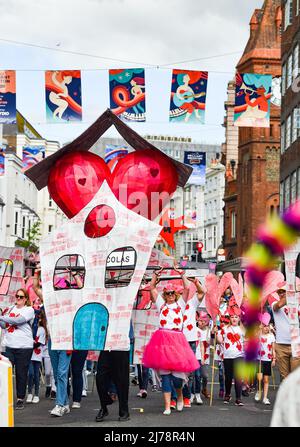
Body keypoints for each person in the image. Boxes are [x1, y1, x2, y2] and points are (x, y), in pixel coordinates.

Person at [142, 268, 199, 415]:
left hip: (177, 341)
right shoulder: (161, 304)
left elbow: (187, 287)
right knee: (165, 375)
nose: (170, 295)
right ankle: (167, 406)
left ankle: (180, 396)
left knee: (177, 378)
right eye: (168, 293)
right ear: (165, 295)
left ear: (176, 294)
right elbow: (152, 288)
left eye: (172, 293)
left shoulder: (180, 305)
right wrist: (155, 275)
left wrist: (182, 274)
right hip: (163, 341)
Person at [0, 288, 34, 410]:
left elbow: (18, 321)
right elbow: (4, 325)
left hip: (24, 347)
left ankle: (20, 398)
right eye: (17, 296)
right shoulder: (10, 309)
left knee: (21, 373)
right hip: (9, 345)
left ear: (25, 299)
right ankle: (5, 397)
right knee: (4, 373)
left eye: (21, 297)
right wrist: (2, 318)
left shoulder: (29, 310)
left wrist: (2, 317)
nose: (18, 299)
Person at [271, 286, 300, 381]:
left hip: (296, 344)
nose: (281, 294)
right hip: (281, 345)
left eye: (284, 291)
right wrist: (291, 293)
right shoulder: (275, 304)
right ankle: (286, 396)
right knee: (284, 377)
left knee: (295, 376)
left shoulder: (298, 305)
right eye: (279, 292)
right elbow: (278, 306)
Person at [217, 314, 245, 406]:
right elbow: (220, 341)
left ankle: (238, 398)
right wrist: (216, 332)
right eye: (232, 317)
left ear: (239, 318)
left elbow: (247, 341)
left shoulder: (242, 329)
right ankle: (227, 394)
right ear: (230, 318)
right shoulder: (225, 329)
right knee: (228, 377)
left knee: (238, 377)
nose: (234, 319)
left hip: (239, 355)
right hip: (228, 355)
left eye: (236, 317)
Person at [26, 308, 47, 404]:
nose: (37, 319)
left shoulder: (42, 329)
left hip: (37, 354)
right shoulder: (29, 328)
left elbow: (39, 343)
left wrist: (31, 344)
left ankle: (36, 394)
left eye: (39, 317)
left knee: (36, 375)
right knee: (30, 374)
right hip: (29, 354)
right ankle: (29, 392)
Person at [254, 312, 276, 405]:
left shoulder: (271, 336)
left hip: (267, 359)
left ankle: (265, 397)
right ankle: (259, 391)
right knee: (259, 378)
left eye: (268, 326)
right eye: (264, 326)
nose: (266, 328)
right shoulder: (259, 335)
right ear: (261, 326)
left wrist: (274, 359)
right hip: (259, 359)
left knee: (266, 379)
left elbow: (273, 349)